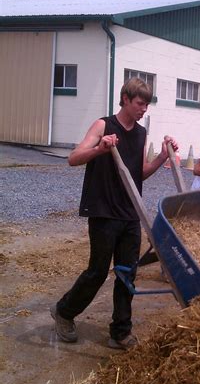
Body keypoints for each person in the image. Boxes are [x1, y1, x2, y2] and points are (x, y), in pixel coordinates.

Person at [50, 77, 178, 350]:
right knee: (97, 271)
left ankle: (120, 331)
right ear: (125, 99)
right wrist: (100, 148)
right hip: (103, 210)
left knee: (126, 273)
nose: (144, 109)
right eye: (140, 104)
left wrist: (162, 157)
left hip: (130, 211)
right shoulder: (103, 125)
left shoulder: (141, 133)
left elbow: (139, 172)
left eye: (146, 105)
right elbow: (74, 158)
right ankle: (64, 311)